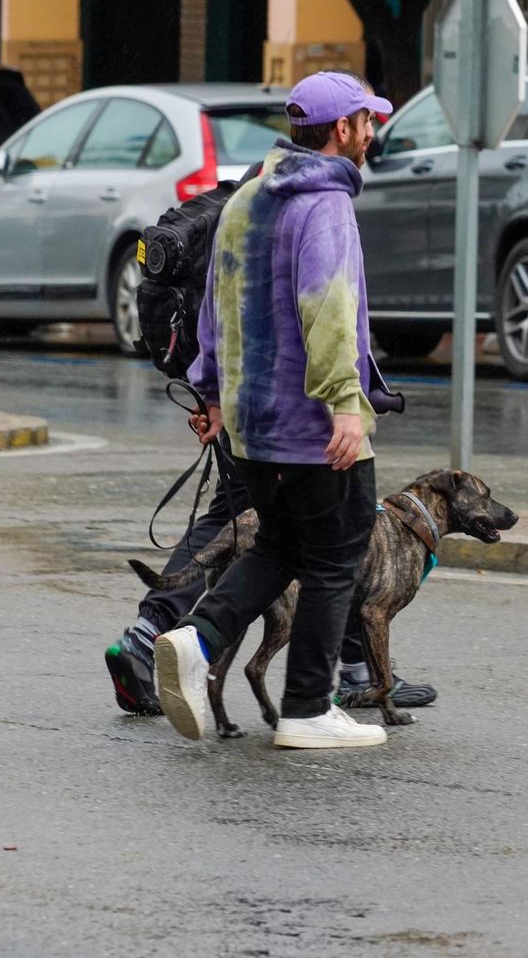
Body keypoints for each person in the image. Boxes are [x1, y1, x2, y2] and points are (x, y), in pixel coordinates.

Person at [104, 88, 437, 721]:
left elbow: (217, 307)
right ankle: (311, 709)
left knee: (279, 545)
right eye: (367, 121)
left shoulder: (249, 196)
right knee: (339, 554)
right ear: (342, 127)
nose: (372, 133)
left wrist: (211, 394)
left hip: (251, 429)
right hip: (312, 426)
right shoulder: (326, 206)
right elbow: (331, 311)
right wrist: (345, 406)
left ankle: (192, 641)